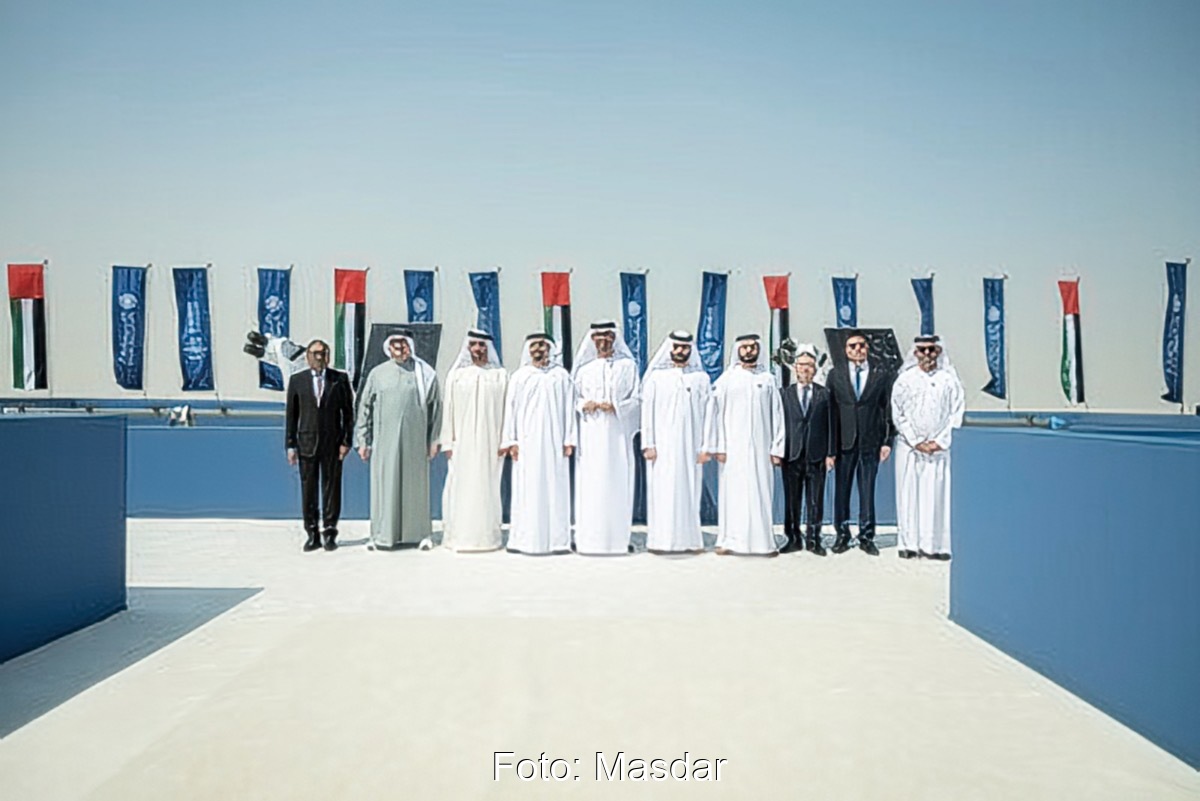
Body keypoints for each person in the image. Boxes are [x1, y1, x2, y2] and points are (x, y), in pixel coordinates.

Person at [354, 332, 442, 550]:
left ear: (410, 346)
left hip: (415, 443)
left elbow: (436, 410)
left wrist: (434, 440)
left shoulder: (425, 374)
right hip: (385, 444)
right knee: (385, 486)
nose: (400, 348)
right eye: (395, 345)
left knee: (416, 488)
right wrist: (363, 441)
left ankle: (419, 534)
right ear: (388, 348)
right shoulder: (378, 373)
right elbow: (364, 408)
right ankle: (381, 535)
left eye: (403, 344)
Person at [702, 333, 785, 556]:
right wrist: (718, 446)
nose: (749, 351)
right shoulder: (726, 380)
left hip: (761, 449)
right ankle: (729, 540)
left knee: (761, 493)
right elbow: (714, 414)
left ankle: (763, 543)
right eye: (745, 347)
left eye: (753, 347)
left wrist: (777, 448)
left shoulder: (767, 379)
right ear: (738, 349)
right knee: (733, 494)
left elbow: (777, 415)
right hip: (733, 450)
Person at [891, 335, 965, 560]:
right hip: (910, 449)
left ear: (939, 352)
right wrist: (915, 440)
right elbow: (898, 413)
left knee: (937, 496)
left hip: (939, 450)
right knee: (908, 495)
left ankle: (936, 546)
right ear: (915, 353)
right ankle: (909, 544)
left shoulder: (949, 381)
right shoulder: (904, 380)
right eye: (922, 350)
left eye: (931, 350)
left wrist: (939, 441)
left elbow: (956, 413)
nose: (927, 355)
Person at [503, 334, 577, 555]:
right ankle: (524, 539)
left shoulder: (561, 376)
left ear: (550, 348)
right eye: (534, 345)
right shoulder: (519, 376)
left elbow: (569, 409)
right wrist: (511, 440)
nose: (539, 349)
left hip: (555, 443)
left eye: (543, 345)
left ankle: (557, 541)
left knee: (556, 488)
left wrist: (569, 439)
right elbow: (511, 410)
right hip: (526, 444)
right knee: (527, 488)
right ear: (528, 349)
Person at [572, 321, 640, 555]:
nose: (602, 341)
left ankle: (617, 540)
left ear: (614, 338)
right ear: (592, 339)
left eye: (607, 336)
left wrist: (616, 406)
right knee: (591, 483)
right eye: (598, 337)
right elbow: (573, 398)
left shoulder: (628, 367)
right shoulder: (584, 370)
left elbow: (637, 399)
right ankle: (589, 540)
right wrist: (584, 404)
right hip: (591, 435)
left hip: (617, 435)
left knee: (616, 481)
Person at [641, 331, 711, 554]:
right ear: (670, 348)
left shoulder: (701, 379)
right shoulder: (655, 378)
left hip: (691, 448)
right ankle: (661, 541)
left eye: (685, 348)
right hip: (661, 448)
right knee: (663, 490)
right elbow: (647, 412)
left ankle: (690, 540)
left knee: (689, 490)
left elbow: (709, 414)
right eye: (677, 347)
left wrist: (705, 446)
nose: (681, 351)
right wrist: (648, 443)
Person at [826, 330, 895, 556]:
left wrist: (887, 441)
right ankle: (842, 535)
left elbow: (887, 409)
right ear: (845, 351)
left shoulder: (880, 375)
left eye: (861, 345)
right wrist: (830, 448)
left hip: (870, 442)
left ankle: (866, 537)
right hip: (844, 444)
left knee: (867, 491)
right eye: (852, 346)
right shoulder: (835, 375)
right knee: (842, 491)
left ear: (867, 348)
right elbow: (831, 412)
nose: (857, 350)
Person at [440, 329, 508, 553]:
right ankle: (460, 536)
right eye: (474, 344)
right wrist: (448, 442)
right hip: (462, 444)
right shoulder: (456, 376)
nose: (478, 349)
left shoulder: (500, 376)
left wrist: (504, 441)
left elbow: (507, 412)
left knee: (487, 487)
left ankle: (487, 537)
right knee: (461, 486)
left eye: (482, 344)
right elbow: (447, 410)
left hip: (491, 444)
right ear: (468, 348)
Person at [285, 339, 355, 552]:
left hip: (332, 444)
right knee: (309, 490)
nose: (319, 357)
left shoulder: (339, 379)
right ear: (307, 356)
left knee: (332, 488)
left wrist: (346, 441)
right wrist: (290, 445)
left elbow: (348, 413)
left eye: (323, 353)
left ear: (328, 356)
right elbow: (292, 415)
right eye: (315, 353)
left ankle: (330, 531)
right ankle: (312, 532)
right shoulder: (297, 380)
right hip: (307, 443)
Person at [779, 344, 835, 556]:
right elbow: (779, 424)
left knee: (815, 500)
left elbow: (832, 425)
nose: (805, 369)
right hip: (791, 455)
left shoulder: (824, 394)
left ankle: (813, 539)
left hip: (816, 455)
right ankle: (792, 538)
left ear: (814, 369)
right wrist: (778, 451)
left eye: (810, 366)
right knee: (792, 500)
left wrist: (831, 453)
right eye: (802, 365)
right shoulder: (784, 394)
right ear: (795, 367)